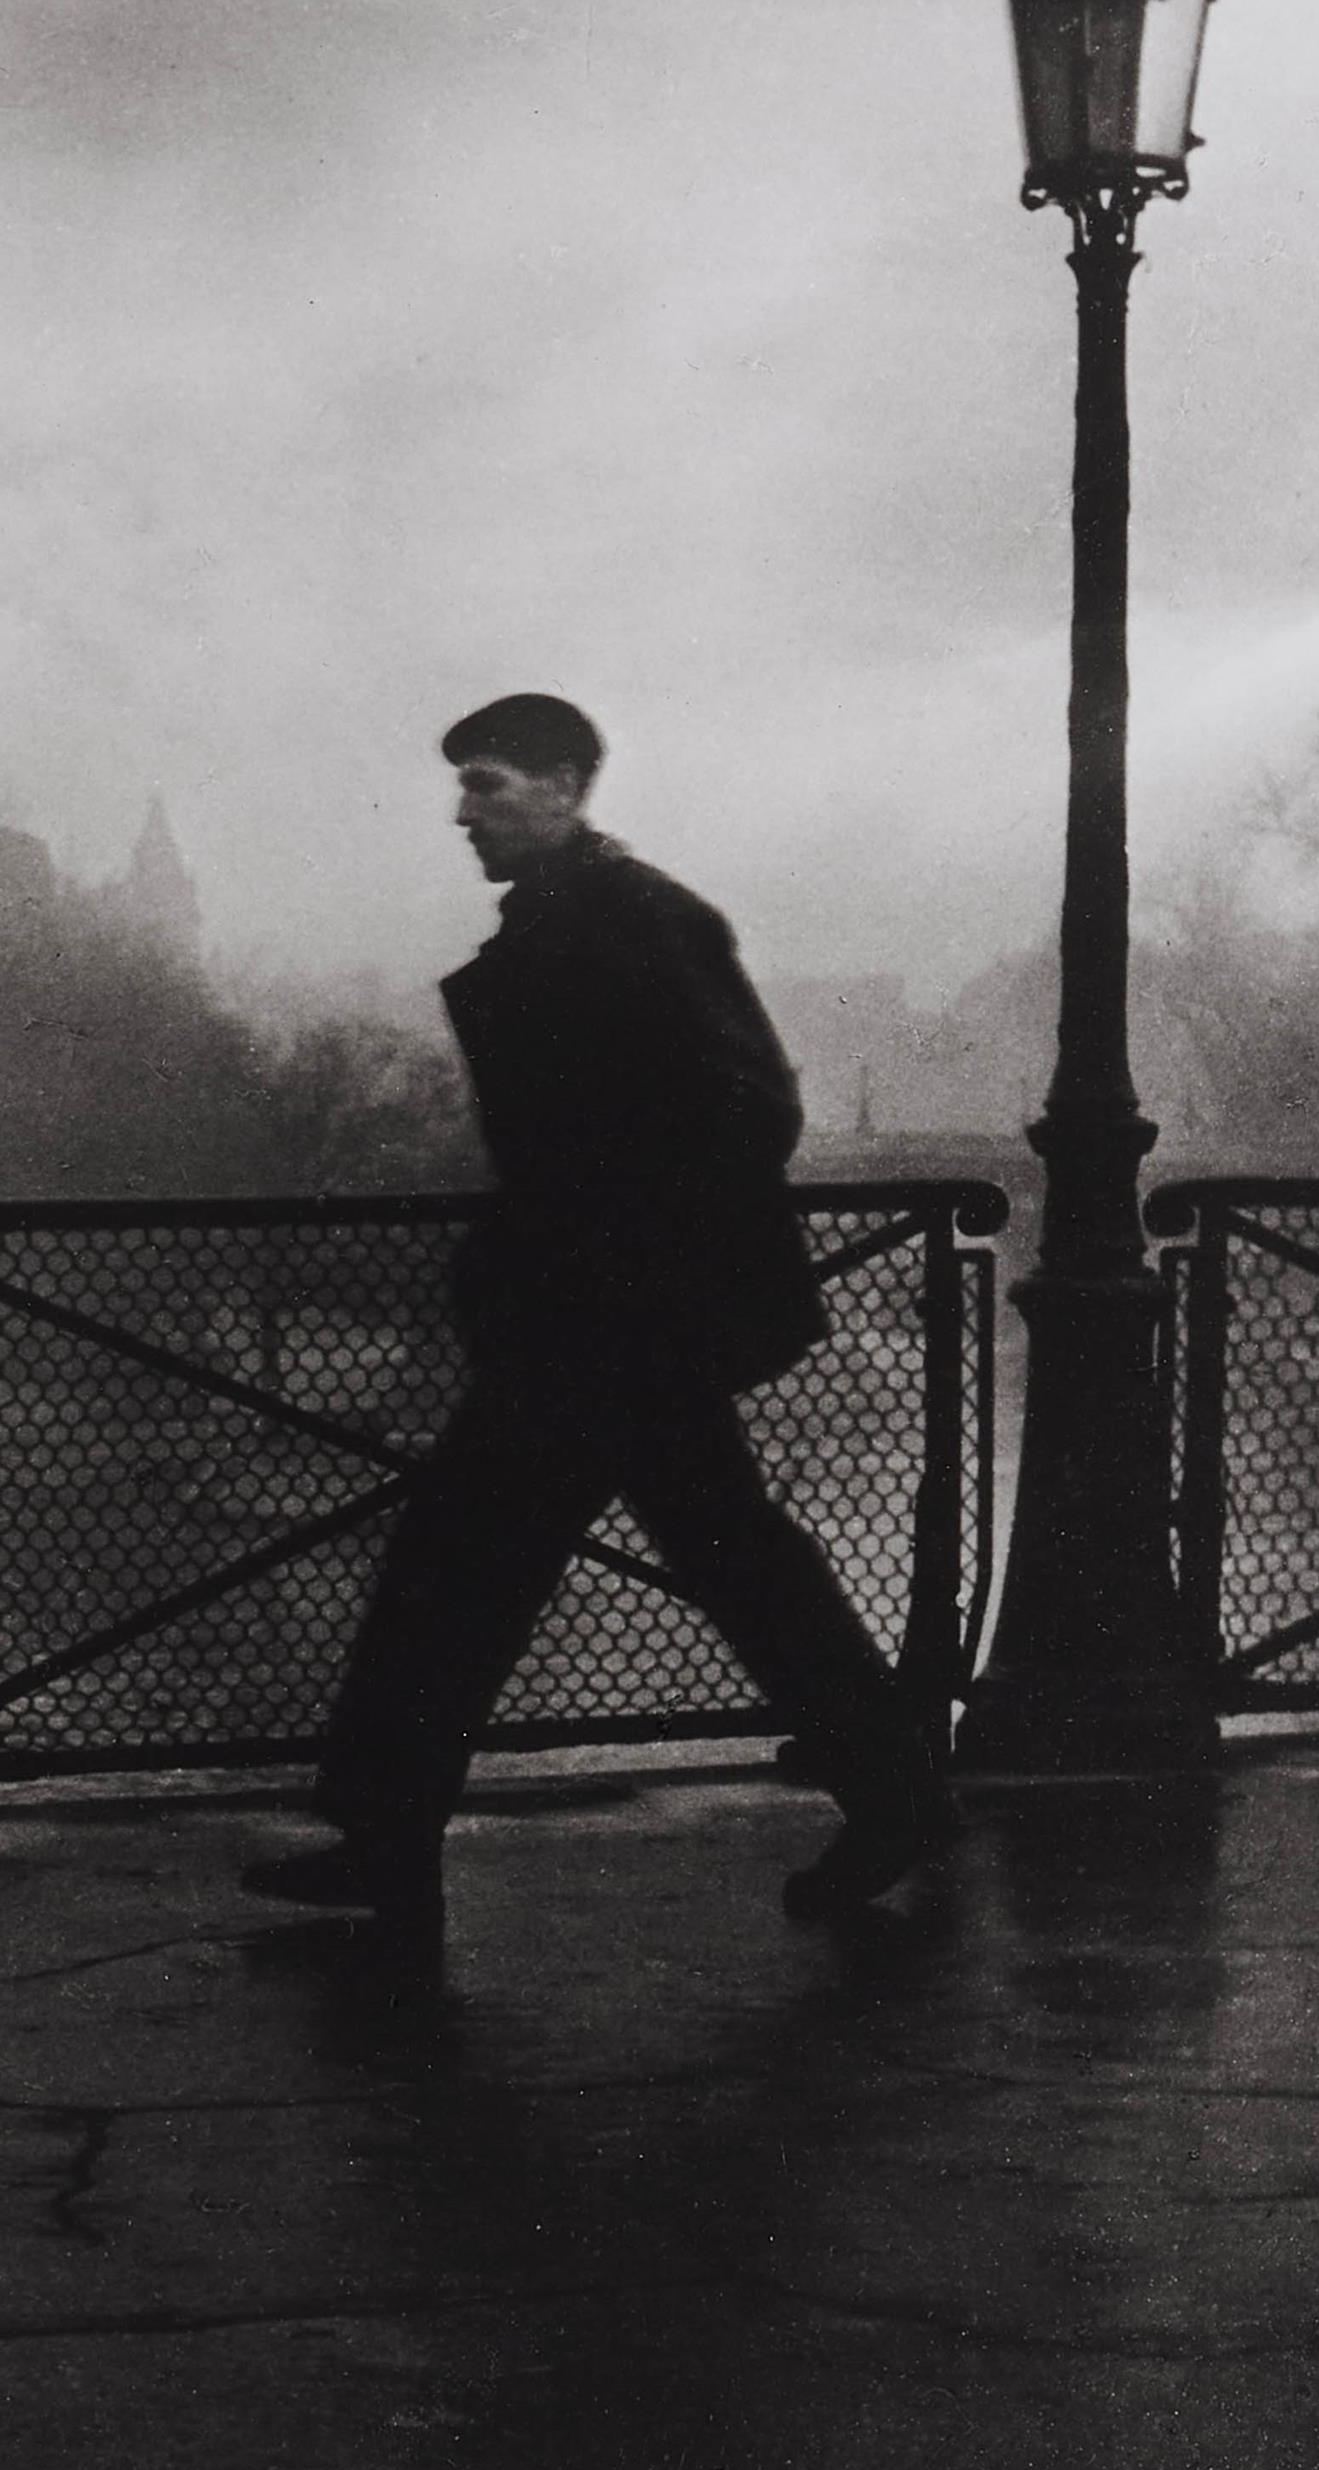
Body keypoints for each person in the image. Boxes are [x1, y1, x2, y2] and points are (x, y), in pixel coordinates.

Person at [244, 693, 961, 1927]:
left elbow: (753, 1111)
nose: (462, 811)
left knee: (468, 1569)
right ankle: (895, 1789)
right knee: (700, 1564)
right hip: (609, 1324)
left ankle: (386, 1839)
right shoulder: (603, 917)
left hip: (607, 1324)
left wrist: (611, 1250)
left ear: (567, 786)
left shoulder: (634, 921)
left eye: (488, 784)